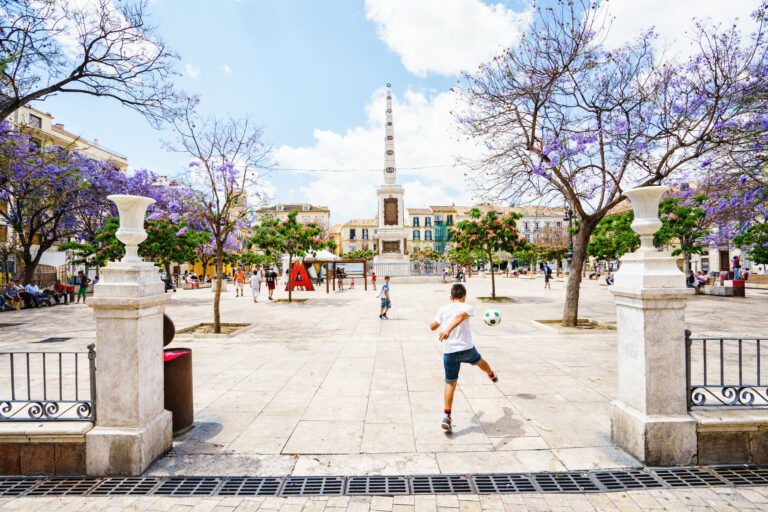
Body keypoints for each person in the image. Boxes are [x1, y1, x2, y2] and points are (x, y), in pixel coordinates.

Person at [430, 283, 497, 432]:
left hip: (450, 352)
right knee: (479, 361)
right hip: (466, 349)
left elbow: (434, 326)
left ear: (450, 297)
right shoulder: (467, 307)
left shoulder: (443, 309)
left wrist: (443, 326)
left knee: (450, 383)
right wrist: (445, 327)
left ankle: (447, 416)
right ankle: (491, 374)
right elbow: (460, 315)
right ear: (464, 297)